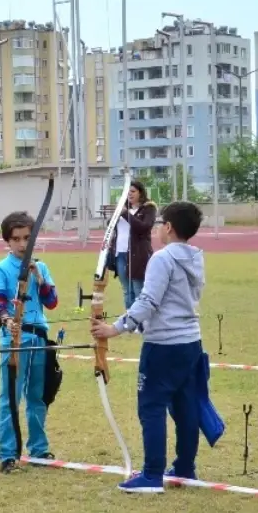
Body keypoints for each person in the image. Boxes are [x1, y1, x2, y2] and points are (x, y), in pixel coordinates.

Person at [92, 201, 207, 494]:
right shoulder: (195, 257)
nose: (158, 230)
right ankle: (184, 467)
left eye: (160, 225)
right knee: (184, 407)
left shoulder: (163, 258)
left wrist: (115, 328)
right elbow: (169, 302)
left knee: (152, 407)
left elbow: (148, 301)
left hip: (164, 346)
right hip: (190, 343)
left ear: (168, 227)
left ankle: (153, 474)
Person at [0, 212, 59, 473]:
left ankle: (39, 450)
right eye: (16, 239)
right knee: (10, 399)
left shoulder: (41, 267)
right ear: (8, 241)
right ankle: (8, 454)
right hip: (14, 342)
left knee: (38, 398)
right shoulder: (0, 268)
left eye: (27, 239)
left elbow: (51, 302)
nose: (21, 244)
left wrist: (39, 278)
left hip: (38, 339)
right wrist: (7, 320)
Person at [109, 180, 157, 310]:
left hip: (138, 255)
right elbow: (111, 226)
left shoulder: (148, 208)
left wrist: (125, 214)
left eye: (133, 191)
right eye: (127, 192)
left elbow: (143, 227)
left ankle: (141, 321)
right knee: (126, 289)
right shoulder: (123, 208)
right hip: (120, 253)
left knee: (138, 288)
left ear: (140, 193)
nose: (130, 194)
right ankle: (130, 321)